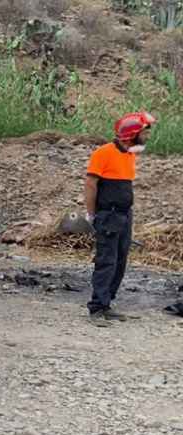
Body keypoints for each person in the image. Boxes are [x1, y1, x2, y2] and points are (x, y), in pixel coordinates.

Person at [85, 111, 155, 327]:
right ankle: (97, 307)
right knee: (106, 260)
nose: (147, 136)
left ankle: (107, 304)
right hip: (109, 215)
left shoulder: (129, 154)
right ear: (131, 135)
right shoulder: (103, 153)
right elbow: (90, 184)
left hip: (124, 215)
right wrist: (91, 214)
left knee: (120, 260)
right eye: (144, 132)